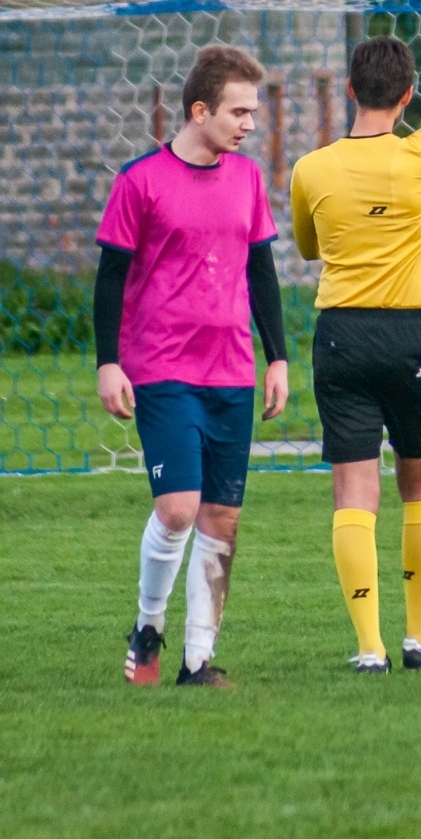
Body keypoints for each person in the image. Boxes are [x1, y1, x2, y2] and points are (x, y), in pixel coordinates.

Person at [289, 0, 421, 672]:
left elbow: (309, 246)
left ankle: (368, 647)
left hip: (341, 335)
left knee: (353, 491)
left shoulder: (311, 168)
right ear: (405, 97)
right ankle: (420, 635)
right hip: (411, 334)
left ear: (348, 90)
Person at [98, 45, 290, 689]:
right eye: (238, 111)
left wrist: (279, 358)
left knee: (222, 520)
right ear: (199, 109)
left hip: (232, 372)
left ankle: (197, 661)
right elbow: (110, 279)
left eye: (253, 112)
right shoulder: (139, 181)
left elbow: (261, 269)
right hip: (161, 369)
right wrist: (107, 364)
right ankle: (148, 626)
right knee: (178, 509)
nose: (249, 124)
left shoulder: (247, 179)